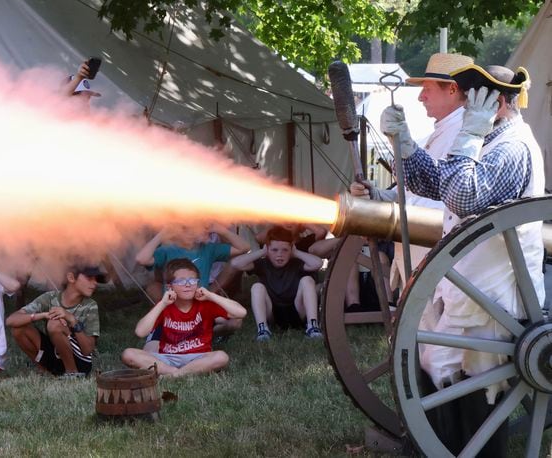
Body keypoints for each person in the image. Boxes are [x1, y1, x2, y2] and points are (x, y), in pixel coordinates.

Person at [384, 63, 543, 456]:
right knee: (440, 368)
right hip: (469, 288)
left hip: (493, 296)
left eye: (477, 99)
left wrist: (470, 133)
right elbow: (438, 182)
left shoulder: (511, 147)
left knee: (478, 382)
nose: (469, 106)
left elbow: (463, 197)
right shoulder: (489, 140)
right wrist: (404, 146)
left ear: (499, 103)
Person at [351, 52, 473, 291]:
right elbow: (417, 189)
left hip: (442, 257)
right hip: (424, 256)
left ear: (452, 89)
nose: (420, 97)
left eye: (427, 88)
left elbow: (452, 197)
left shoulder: (464, 137)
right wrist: (378, 196)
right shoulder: (440, 132)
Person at [121, 258, 247, 377]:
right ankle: (176, 372)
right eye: (181, 281)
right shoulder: (165, 305)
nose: (187, 285)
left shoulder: (206, 303)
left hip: (198, 357)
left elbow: (241, 312)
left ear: (197, 284)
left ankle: (173, 375)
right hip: (167, 356)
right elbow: (140, 332)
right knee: (128, 354)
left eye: (192, 281)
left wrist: (210, 295)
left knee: (221, 357)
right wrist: (162, 304)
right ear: (170, 287)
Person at [135, 223, 249, 349]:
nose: (206, 231)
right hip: (174, 312)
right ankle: (188, 339)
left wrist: (220, 230)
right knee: (152, 351)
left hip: (201, 310)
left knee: (235, 322)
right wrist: (163, 234)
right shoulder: (167, 250)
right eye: (200, 226)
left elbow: (244, 248)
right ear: (186, 232)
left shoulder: (208, 249)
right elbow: (141, 259)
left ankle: (207, 335)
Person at [6, 265, 103, 378]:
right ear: (71, 278)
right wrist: (43, 315)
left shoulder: (90, 306)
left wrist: (72, 319)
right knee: (19, 329)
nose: (95, 283)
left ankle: (72, 373)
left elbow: (87, 350)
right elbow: (11, 320)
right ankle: (45, 371)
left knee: (55, 324)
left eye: (96, 279)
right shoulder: (50, 298)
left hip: (81, 362)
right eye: (89, 278)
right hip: (56, 355)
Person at [230, 226, 324, 341]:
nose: (280, 254)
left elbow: (318, 263)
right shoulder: (263, 264)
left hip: (298, 310)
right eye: (274, 250)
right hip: (273, 313)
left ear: (291, 250)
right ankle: (262, 329)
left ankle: (312, 326)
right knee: (257, 287)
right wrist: (261, 252)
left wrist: (296, 252)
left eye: (285, 250)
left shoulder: (295, 263)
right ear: (268, 249)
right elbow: (235, 264)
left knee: (307, 280)